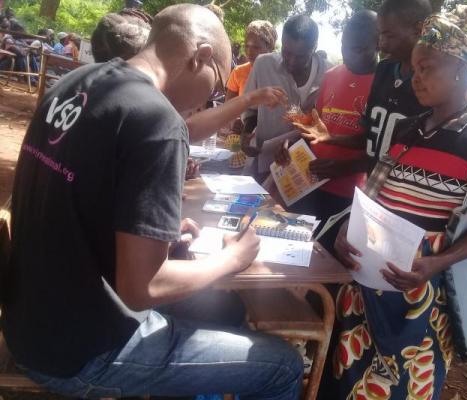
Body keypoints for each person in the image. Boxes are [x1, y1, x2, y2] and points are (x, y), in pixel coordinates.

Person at [2, 5, 303, 399]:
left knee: (225, 311)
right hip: (82, 353)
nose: (208, 100)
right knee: (282, 366)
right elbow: (142, 288)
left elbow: (77, 201)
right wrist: (233, 259)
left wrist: (151, 232)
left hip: (29, 325)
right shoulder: (158, 122)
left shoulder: (75, 83)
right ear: (202, 56)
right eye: (214, 87)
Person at [322, 4, 467, 399]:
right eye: (415, 68)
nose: (415, 78)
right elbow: (374, 190)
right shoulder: (409, 129)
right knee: (347, 374)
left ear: (461, 68)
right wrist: (346, 227)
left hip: (422, 290)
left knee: (404, 383)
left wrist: (437, 262)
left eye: (427, 68)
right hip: (368, 282)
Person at [274, 10, 379, 250]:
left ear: (378, 43)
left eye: (359, 49)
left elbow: (381, 149)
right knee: (291, 252)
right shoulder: (331, 76)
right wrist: (291, 147)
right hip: (308, 184)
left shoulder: (384, 85)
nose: (348, 54)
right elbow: (315, 127)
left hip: (347, 196)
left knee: (326, 261)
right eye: (344, 45)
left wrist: (344, 168)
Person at [295, 0, 432, 174]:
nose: (382, 44)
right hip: (370, 188)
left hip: (400, 191)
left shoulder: (430, 85)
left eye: (389, 36)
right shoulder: (385, 70)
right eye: (381, 35)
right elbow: (371, 137)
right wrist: (331, 138)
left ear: (418, 30)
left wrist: (345, 167)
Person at [241, 14, 329, 181]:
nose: (292, 61)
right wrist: (246, 134)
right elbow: (251, 110)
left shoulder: (328, 75)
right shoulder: (263, 64)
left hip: (303, 172)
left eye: (301, 56)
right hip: (262, 167)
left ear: (314, 47)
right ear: (282, 41)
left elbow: (324, 127)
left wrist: (297, 145)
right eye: (287, 52)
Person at [226, 20, 278, 101]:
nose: (249, 52)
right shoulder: (238, 72)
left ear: (270, 47)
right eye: (247, 46)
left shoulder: (281, 73)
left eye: (256, 47)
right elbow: (228, 108)